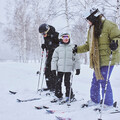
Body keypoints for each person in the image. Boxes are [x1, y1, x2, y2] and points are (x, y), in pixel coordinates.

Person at [73, 8, 120, 108]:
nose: (87, 22)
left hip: (108, 58)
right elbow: (88, 45)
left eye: (88, 19)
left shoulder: (109, 25)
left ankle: (108, 104)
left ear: (93, 18)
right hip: (97, 60)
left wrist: (115, 43)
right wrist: (77, 49)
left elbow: (118, 37)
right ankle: (95, 100)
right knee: (95, 80)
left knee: (103, 80)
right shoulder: (92, 29)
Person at [51, 33, 80, 102]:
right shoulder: (58, 49)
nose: (66, 39)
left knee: (67, 83)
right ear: (61, 38)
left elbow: (76, 59)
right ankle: (58, 96)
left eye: (67, 37)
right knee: (58, 82)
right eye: (64, 37)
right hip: (60, 69)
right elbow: (54, 59)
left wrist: (77, 68)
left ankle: (69, 96)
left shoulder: (72, 48)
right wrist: (53, 69)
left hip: (68, 69)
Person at [39, 23, 59, 91]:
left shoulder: (55, 34)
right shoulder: (46, 35)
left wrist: (52, 46)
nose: (43, 35)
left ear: (47, 30)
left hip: (55, 55)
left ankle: (54, 87)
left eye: (44, 33)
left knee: (52, 70)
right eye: (42, 34)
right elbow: (47, 43)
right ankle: (49, 86)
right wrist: (44, 45)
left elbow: (59, 45)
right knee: (46, 70)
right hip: (49, 54)